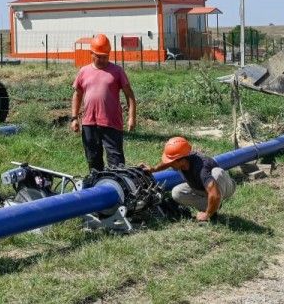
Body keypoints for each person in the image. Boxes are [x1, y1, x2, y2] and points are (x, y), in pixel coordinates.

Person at [71, 33, 137, 172]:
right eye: (98, 56)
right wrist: (74, 118)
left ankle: (118, 188)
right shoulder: (84, 71)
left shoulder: (117, 71)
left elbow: (130, 95)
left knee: (116, 161)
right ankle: (97, 188)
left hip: (111, 123)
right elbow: (77, 94)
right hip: (89, 123)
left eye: (105, 56)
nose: (102, 59)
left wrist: (131, 118)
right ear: (91, 53)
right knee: (93, 160)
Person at [143, 136, 236, 222]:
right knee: (176, 192)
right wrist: (153, 169)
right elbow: (168, 163)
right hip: (203, 188)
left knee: (217, 173)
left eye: (172, 162)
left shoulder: (201, 168)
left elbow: (215, 194)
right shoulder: (182, 159)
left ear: (182, 161)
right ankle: (213, 206)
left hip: (225, 187)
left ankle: (211, 210)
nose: (169, 164)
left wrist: (207, 215)